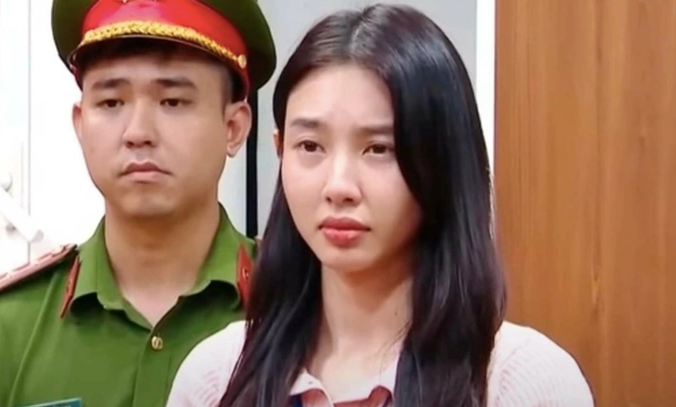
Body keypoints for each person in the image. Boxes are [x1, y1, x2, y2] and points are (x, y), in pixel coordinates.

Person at [166, 4, 595, 407]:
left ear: (441, 161)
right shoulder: (218, 376)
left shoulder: (520, 381)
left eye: (378, 149)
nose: (338, 186)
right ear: (280, 149)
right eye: (310, 146)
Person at [0, 1, 275, 406]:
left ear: (234, 128)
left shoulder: (298, 310)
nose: (137, 132)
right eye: (111, 103)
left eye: (172, 102)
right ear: (80, 123)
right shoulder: (12, 325)